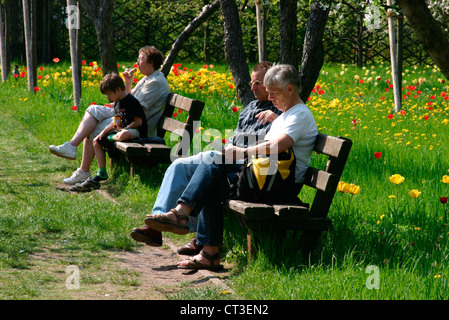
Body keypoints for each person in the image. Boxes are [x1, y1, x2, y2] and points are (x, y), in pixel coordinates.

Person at [144, 64, 318, 270]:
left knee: (216, 161)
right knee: (213, 179)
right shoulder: (288, 113)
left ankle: (181, 213)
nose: (270, 99)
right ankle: (209, 254)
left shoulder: (299, 114)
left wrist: (242, 152)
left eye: (274, 93)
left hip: (278, 185)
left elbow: (279, 145)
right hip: (265, 178)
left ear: (290, 89)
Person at [130, 61, 282, 254]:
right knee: (179, 166)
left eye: (258, 83)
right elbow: (236, 137)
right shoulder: (250, 106)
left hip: (246, 163)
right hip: (228, 154)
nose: (253, 87)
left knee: (209, 168)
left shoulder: (278, 112)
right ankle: (156, 225)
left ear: (271, 84)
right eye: (252, 82)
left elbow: (267, 147)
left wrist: (232, 151)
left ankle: (190, 229)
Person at [49, 46, 170, 185]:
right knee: (93, 109)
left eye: (141, 59)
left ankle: (83, 170)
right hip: (128, 116)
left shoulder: (156, 82)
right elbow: (129, 100)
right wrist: (129, 82)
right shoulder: (147, 79)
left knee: (95, 126)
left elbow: (135, 107)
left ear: (151, 62)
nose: (137, 63)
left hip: (138, 125)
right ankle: (71, 147)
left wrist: (116, 107)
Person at [69, 73, 148, 192]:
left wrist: (126, 128)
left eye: (109, 94)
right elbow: (116, 123)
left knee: (123, 134)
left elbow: (139, 122)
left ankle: (114, 137)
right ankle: (102, 172)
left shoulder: (131, 101)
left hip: (136, 132)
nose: (108, 98)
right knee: (97, 141)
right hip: (120, 133)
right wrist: (103, 132)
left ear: (117, 89)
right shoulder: (117, 103)